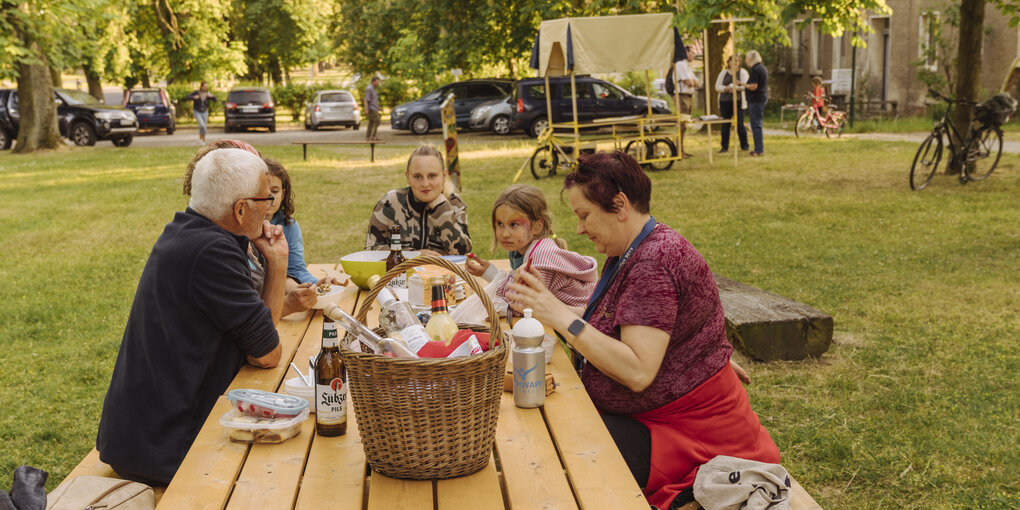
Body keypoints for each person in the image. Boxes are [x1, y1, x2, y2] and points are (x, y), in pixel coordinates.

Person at [506, 151, 779, 510]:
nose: (579, 229)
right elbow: (622, 326)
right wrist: (545, 305)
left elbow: (636, 371)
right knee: (544, 439)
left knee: (552, 456)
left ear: (619, 205)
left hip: (686, 437)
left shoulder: (653, 261)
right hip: (663, 421)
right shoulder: (636, 249)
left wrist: (557, 314)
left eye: (584, 215)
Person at [96, 148, 286, 485]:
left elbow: (263, 340)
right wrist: (278, 264)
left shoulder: (189, 231)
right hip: (165, 447)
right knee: (282, 469)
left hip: (144, 434)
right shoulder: (212, 252)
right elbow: (268, 354)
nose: (269, 209)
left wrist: (276, 260)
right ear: (240, 209)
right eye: (264, 200)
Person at [183, 142, 330, 316]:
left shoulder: (210, 233)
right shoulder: (216, 251)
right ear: (239, 205)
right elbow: (260, 334)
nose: (268, 205)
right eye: (262, 195)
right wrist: (288, 304)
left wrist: (286, 271)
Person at [465, 184, 597, 310]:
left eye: (514, 224)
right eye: (500, 224)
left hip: (584, 320)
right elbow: (518, 289)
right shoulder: (520, 250)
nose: (505, 234)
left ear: (536, 227)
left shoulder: (540, 256)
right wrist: (488, 272)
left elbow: (524, 304)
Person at [365, 144, 472, 256]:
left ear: (444, 176)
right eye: (417, 176)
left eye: (432, 176)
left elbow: (461, 252)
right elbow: (371, 251)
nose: (425, 184)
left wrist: (442, 211)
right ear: (407, 177)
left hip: (443, 273)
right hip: (401, 273)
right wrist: (414, 255)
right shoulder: (390, 203)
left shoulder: (454, 203)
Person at [714, 55, 749, 153]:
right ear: (728, 62)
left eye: (737, 61)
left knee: (740, 124)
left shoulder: (742, 72)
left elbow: (744, 86)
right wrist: (725, 89)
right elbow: (717, 86)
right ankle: (724, 147)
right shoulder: (723, 73)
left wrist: (732, 87)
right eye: (732, 61)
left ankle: (744, 145)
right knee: (725, 125)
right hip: (725, 102)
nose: (734, 63)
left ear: (739, 62)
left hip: (738, 102)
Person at [673, 51, 701, 158]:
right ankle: (678, 150)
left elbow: (697, 83)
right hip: (681, 96)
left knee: (685, 124)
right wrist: (692, 82)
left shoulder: (687, 66)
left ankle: (681, 150)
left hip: (688, 96)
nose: (694, 55)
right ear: (686, 52)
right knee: (682, 123)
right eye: (692, 53)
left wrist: (693, 82)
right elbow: (689, 82)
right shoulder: (680, 64)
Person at [741, 50, 769, 157]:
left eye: (746, 58)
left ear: (751, 59)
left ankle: (758, 149)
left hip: (756, 99)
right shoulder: (762, 68)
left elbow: (753, 86)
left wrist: (743, 84)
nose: (746, 61)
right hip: (761, 98)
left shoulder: (755, 70)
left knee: (756, 125)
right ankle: (758, 148)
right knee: (757, 124)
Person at [364, 76, 382, 142]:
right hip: (371, 108)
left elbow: (374, 100)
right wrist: (366, 109)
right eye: (377, 82)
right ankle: (373, 137)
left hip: (375, 108)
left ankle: (368, 137)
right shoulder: (369, 89)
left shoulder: (374, 89)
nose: (378, 83)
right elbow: (366, 100)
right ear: (373, 81)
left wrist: (379, 107)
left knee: (371, 123)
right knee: (377, 121)